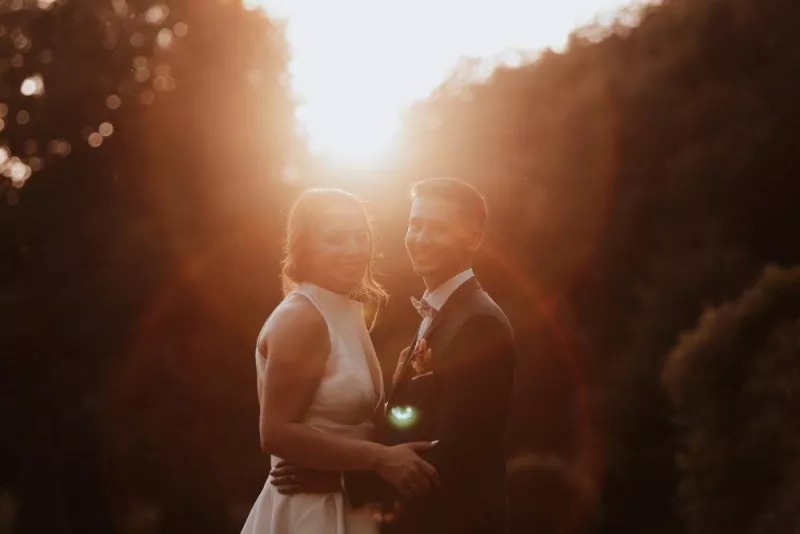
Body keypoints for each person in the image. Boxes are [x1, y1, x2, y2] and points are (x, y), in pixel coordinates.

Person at [271, 178, 516, 534]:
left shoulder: (478, 322)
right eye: (416, 225)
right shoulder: (443, 314)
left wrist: (339, 480)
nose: (421, 238)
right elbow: (407, 426)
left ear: (473, 239)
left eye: (439, 228)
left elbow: (460, 453)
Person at [241, 188, 440, 534]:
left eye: (360, 236)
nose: (353, 249)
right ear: (305, 247)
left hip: (345, 502)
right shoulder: (302, 318)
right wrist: (379, 458)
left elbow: (355, 421)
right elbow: (274, 433)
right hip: (310, 513)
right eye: (335, 239)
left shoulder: (345, 311)